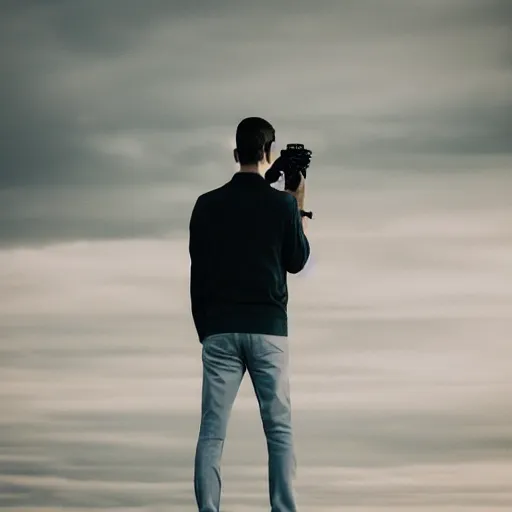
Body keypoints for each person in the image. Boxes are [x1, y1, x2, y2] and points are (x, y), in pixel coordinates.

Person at [189, 116, 310, 512]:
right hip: (269, 329)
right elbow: (297, 260)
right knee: (278, 430)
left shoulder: (206, 205)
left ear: (236, 153)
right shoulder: (280, 205)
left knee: (212, 432)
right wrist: (296, 201)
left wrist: (205, 330)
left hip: (220, 330)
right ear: (268, 153)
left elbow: (198, 273)